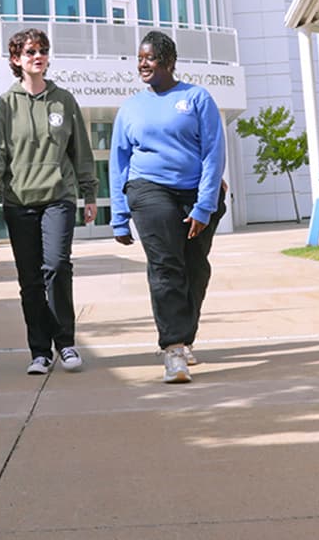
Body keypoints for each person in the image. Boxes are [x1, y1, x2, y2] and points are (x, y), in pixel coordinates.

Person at [109, 30, 227, 384]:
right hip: (148, 190)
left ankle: (184, 333)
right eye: (140, 58)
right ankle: (173, 348)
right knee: (166, 265)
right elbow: (119, 161)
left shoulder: (196, 98)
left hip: (195, 192)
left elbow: (213, 153)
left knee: (195, 268)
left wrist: (205, 206)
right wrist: (119, 215)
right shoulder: (130, 107)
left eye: (150, 58)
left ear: (170, 62)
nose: (142, 64)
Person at [0, 27, 98, 375]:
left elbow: (81, 152)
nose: (38, 56)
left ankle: (66, 343)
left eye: (43, 50)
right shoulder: (5, 105)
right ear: (16, 59)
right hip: (19, 201)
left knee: (58, 266)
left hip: (58, 197)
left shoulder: (64, 100)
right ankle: (40, 351)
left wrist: (89, 192)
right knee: (30, 278)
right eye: (30, 51)